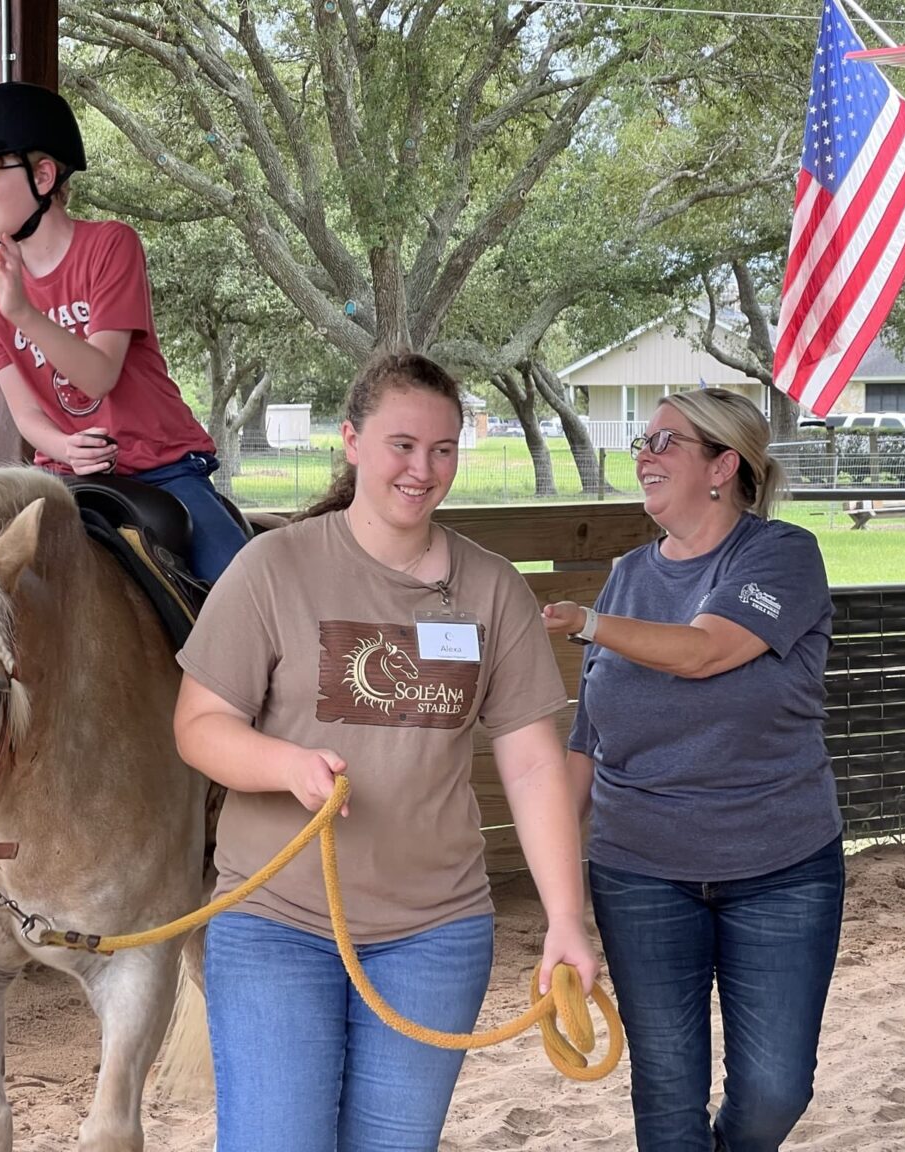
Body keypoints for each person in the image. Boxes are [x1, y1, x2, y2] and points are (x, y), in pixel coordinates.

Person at [173, 351, 599, 1151]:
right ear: (352, 441)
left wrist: (566, 918)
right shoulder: (274, 568)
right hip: (277, 923)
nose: (422, 470)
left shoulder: (492, 588)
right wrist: (285, 766)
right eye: (402, 445)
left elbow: (535, 763)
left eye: (443, 449)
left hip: (435, 931)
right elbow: (199, 723)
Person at [543, 387, 844, 1152]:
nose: (643, 456)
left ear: (722, 465)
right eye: (641, 442)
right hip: (639, 870)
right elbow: (587, 738)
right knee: (667, 1093)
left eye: (663, 442)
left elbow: (705, 651)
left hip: (780, 868)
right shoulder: (627, 575)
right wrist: (557, 883)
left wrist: (587, 623)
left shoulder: (781, 554)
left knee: (776, 1091)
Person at [0, 81, 249, 584]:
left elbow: (99, 375)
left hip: (161, 467)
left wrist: (24, 314)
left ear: (43, 175)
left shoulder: (110, 245)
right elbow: (26, 412)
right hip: (63, 475)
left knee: (240, 582)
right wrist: (64, 447)